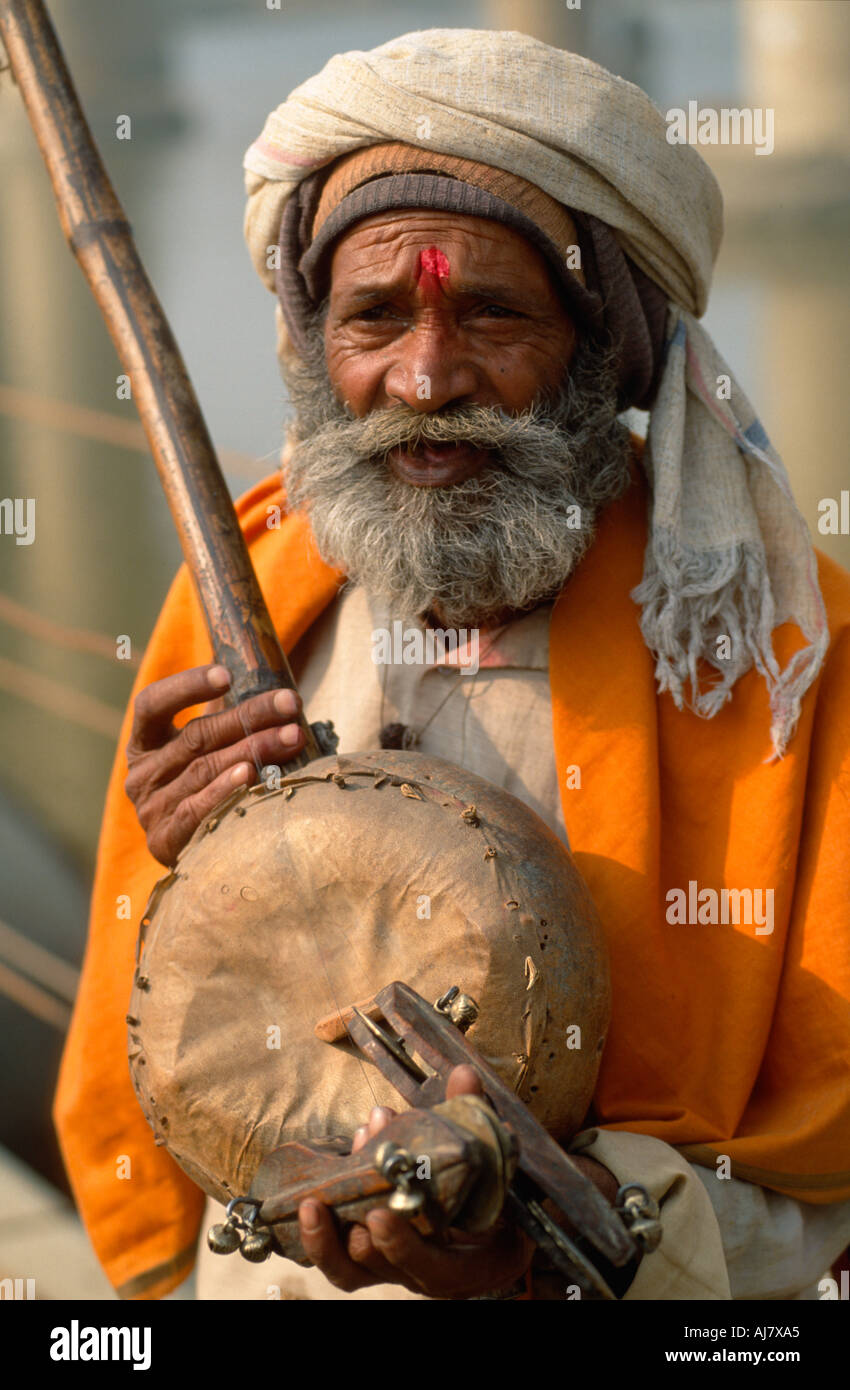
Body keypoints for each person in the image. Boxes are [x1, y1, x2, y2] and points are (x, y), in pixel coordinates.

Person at [54, 29, 850, 1302]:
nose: (426, 379)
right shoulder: (242, 597)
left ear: (600, 354)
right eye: (375, 316)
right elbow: (174, 1036)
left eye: (492, 313)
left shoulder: (770, 650)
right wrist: (181, 869)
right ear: (318, 352)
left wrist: (561, 1237)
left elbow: (823, 1179)